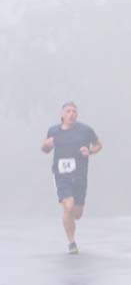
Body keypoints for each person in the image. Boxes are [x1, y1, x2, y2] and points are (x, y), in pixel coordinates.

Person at [41, 102, 102, 254]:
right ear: (62, 115)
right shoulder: (53, 131)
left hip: (80, 175)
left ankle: (70, 219)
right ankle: (71, 242)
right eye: (68, 111)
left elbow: (98, 145)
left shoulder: (85, 130)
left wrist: (90, 151)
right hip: (61, 174)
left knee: (77, 213)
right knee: (68, 205)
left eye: (74, 111)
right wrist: (46, 145)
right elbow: (44, 149)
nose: (71, 114)